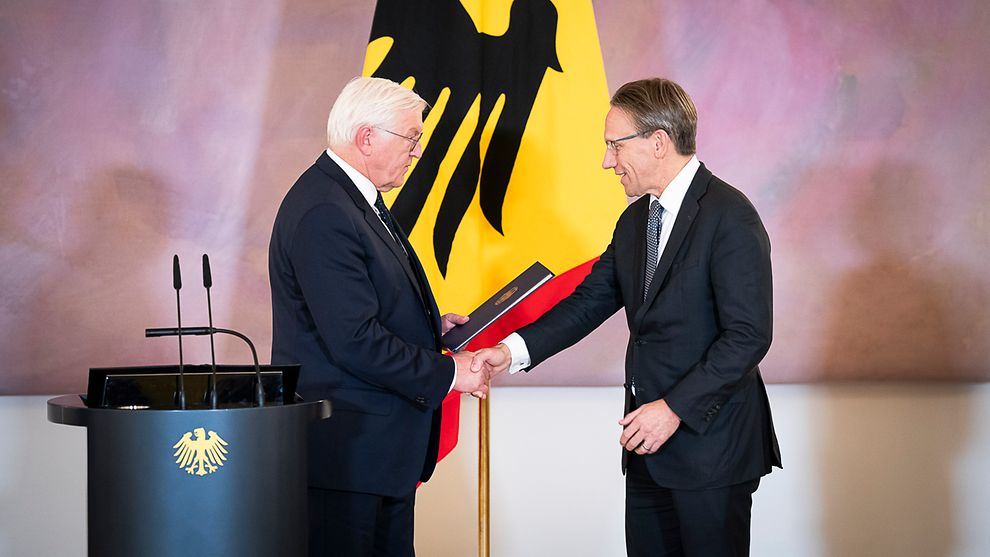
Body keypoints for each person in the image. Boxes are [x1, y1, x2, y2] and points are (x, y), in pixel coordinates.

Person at [473, 78, 781, 556]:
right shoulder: (636, 221)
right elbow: (587, 303)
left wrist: (673, 408)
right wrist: (508, 352)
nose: (606, 161)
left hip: (710, 449)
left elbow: (747, 335)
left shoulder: (730, 215)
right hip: (645, 451)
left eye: (614, 145)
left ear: (658, 142)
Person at [269, 76, 488, 557]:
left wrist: (434, 329)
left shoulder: (352, 200)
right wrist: (450, 372)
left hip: (375, 453)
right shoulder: (325, 210)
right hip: (345, 455)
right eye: (412, 138)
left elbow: (368, 308)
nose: (417, 152)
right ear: (366, 137)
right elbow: (354, 339)